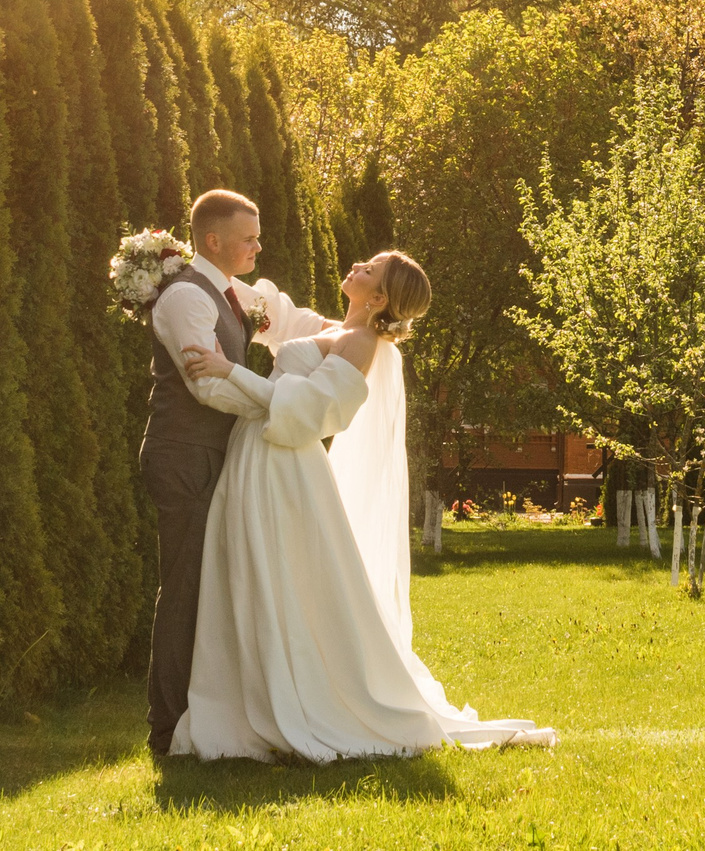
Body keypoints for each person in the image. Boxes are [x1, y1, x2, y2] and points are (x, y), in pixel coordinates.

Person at [171, 251, 557, 762]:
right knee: (249, 573)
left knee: (271, 574)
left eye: (370, 270)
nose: (357, 265)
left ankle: (292, 702)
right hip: (257, 452)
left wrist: (229, 371)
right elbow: (268, 312)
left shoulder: (362, 342)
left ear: (378, 299)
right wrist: (173, 264)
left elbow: (312, 414)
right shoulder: (336, 328)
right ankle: (250, 695)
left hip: (283, 462)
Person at [139, 189, 331, 761]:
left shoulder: (232, 292)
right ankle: (165, 729)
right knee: (185, 590)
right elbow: (207, 384)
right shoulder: (183, 299)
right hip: (183, 456)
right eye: (248, 237)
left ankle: (204, 715)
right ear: (213, 240)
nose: (258, 245)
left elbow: (291, 321)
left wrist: (361, 328)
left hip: (214, 455)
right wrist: (275, 404)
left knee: (213, 589)